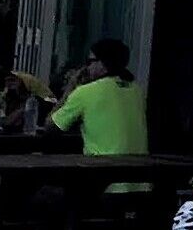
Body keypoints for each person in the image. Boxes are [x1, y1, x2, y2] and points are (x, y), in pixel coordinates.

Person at [51, 38, 150, 192]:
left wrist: (69, 88)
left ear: (103, 64)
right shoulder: (137, 91)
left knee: (49, 194)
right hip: (141, 184)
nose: (86, 67)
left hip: (104, 186)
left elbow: (50, 128)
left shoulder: (85, 92)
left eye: (90, 61)